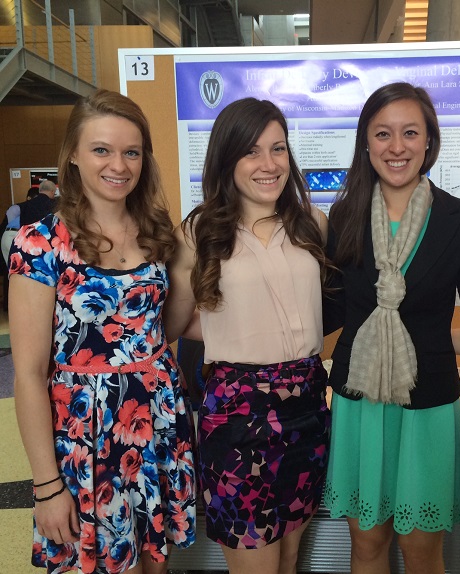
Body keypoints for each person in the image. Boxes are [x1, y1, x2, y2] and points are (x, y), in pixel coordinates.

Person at [8, 89, 197, 574]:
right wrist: (47, 486)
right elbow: (28, 375)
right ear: (73, 154)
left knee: (157, 561)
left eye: (131, 151)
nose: (119, 165)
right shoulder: (41, 242)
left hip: (157, 421)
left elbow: (164, 330)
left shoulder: (156, 230)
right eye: (102, 150)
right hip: (87, 433)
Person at [322, 82, 460, 574]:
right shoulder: (344, 215)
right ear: (366, 142)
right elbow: (332, 315)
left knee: (421, 552)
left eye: (409, 133)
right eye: (382, 134)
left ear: (429, 141)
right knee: (367, 545)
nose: (397, 147)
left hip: (428, 404)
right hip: (360, 404)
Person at [163, 97, 331, 574]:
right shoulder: (200, 232)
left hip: (307, 408)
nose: (268, 164)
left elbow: (314, 307)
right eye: (252, 151)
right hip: (238, 416)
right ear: (226, 158)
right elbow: (173, 325)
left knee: (290, 559)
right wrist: (223, 325)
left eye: (278, 149)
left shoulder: (311, 224)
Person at [1, 184, 48, 265]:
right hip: (14, 236)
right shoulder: (25, 208)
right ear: (29, 198)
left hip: (7, 235)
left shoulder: (20, 207)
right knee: (17, 267)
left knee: (12, 267)